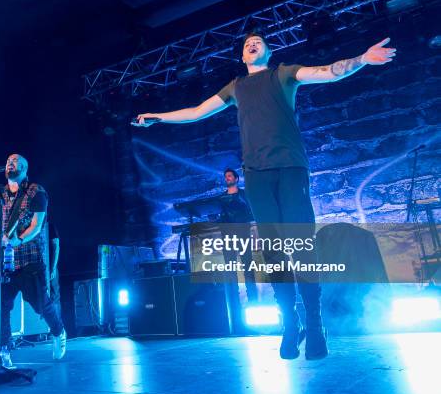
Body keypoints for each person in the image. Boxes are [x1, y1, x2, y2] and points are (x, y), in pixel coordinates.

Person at [134, 32, 396, 360]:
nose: (252, 44)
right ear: (243, 56)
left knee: (300, 246)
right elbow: (198, 110)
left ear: (268, 51)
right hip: (256, 176)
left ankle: (315, 326)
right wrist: (157, 117)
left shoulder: (283, 74)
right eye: (246, 44)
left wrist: (361, 59)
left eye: (258, 41)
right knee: (273, 253)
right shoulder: (236, 87)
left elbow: (328, 71)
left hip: (290, 169)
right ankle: (291, 324)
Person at [0, 154, 66, 366]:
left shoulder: (36, 192)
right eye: (7, 162)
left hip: (29, 261)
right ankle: (4, 351)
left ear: (24, 169)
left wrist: (18, 240)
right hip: (5, 265)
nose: (10, 164)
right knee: (1, 308)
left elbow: (37, 225)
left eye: (15, 162)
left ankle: (59, 331)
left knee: (41, 305)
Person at [219, 168, 258, 303]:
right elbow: (220, 217)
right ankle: (234, 301)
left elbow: (251, 212)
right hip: (227, 235)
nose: (227, 178)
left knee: (247, 265)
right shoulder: (221, 198)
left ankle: (253, 299)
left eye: (229, 176)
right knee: (230, 267)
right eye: (226, 176)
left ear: (236, 178)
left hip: (242, 232)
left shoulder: (244, 195)